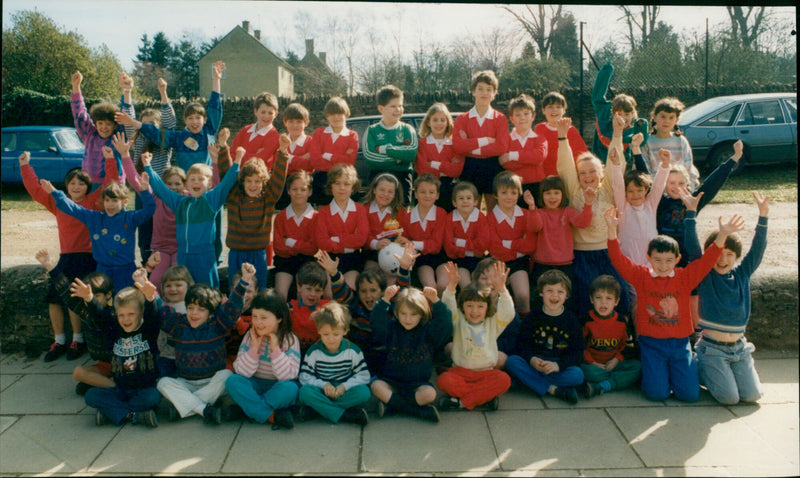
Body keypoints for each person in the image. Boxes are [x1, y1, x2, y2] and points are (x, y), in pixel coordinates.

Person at [605, 207, 745, 402]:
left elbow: (707, 261)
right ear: (648, 258)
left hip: (679, 344)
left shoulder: (684, 277)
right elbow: (618, 259)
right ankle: (659, 374)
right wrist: (611, 230)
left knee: (690, 395)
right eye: (657, 260)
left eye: (669, 260)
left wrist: (722, 235)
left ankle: (695, 365)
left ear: (677, 259)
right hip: (651, 344)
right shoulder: (641, 276)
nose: (663, 266)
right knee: (656, 394)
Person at [21, 151, 119, 361]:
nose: (76, 187)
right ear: (66, 186)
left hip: (88, 257)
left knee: (75, 298)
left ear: (88, 187)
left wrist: (110, 160)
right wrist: (25, 166)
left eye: (81, 183)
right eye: (72, 183)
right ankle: (59, 341)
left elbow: (111, 183)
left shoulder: (94, 201)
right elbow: (35, 191)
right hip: (66, 257)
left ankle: (78, 339)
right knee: (54, 299)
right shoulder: (59, 202)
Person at [684, 191, 769, 405]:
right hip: (712, 349)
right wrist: (691, 213)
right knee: (729, 398)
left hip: (740, 349)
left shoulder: (742, 274)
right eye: (719, 253)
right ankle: (698, 366)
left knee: (752, 396)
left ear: (736, 257)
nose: (723, 259)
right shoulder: (705, 275)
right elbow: (692, 247)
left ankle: (726, 372)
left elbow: (757, 250)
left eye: (730, 254)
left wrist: (763, 216)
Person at [43, 150, 155, 293]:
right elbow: (73, 209)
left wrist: (145, 192)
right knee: (101, 302)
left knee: (124, 300)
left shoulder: (130, 218)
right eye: (107, 200)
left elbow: (149, 210)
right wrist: (56, 193)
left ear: (125, 202)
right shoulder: (94, 218)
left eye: (114, 201)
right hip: (102, 271)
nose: (110, 204)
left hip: (126, 269)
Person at [155, 263, 254, 424]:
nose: (194, 313)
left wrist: (245, 281)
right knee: (163, 383)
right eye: (191, 308)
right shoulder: (179, 324)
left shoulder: (218, 325)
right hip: (186, 382)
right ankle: (204, 409)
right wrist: (151, 293)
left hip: (212, 381)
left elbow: (233, 306)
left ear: (210, 313)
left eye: (201, 309)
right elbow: (162, 310)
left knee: (227, 376)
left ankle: (186, 405)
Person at [556, 117, 630, 319]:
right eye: (583, 173)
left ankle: (623, 330)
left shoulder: (607, 190)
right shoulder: (575, 191)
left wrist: (617, 133)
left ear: (601, 173)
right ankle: (587, 333)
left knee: (619, 291)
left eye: (592, 172)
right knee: (585, 297)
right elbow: (565, 166)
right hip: (582, 255)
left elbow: (615, 162)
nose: (588, 176)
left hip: (608, 252)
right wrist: (562, 137)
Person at [142, 144, 242, 288]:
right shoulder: (180, 202)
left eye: (200, 179)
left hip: (204, 256)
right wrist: (148, 166)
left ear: (209, 184)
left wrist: (237, 162)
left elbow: (225, 184)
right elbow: (160, 188)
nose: (196, 182)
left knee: (207, 290)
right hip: (183, 255)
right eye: (192, 179)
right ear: (187, 185)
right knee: (185, 289)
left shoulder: (210, 201)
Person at [317, 243, 417, 379]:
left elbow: (402, 290)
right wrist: (334, 273)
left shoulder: (389, 303)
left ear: (382, 292)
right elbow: (342, 291)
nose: (368, 295)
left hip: (385, 354)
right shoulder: (354, 303)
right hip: (359, 355)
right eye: (363, 291)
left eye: (373, 290)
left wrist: (404, 268)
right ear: (358, 292)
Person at [79, 269, 162, 428]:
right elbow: (100, 316)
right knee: (91, 395)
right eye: (121, 315)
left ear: (141, 314)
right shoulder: (115, 331)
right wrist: (89, 298)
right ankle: (134, 415)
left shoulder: (148, 331)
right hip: (120, 389)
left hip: (144, 389)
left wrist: (150, 299)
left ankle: (113, 412)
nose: (126, 319)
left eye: (131, 314)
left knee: (154, 397)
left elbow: (153, 316)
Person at [115, 61, 226, 174]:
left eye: (198, 118)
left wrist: (216, 79)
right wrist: (132, 118)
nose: (194, 122)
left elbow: (214, 107)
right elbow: (153, 132)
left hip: (207, 180)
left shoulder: (209, 131)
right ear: (185, 120)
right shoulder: (178, 138)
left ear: (205, 119)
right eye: (190, 118)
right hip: (183, 183)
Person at [36, 250, 115, 395]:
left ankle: (114, 388)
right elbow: (66, 292)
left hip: (123, 363)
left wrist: (90, 299)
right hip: (105, 364)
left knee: (86, 388)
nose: (91, 298)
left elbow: (99, 316)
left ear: (108, 294)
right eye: (87, 296)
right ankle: (112, 386)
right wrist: (50, 266)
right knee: (79, 373)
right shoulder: (85, 310)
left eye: (96, 295)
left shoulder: (114, 312)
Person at [437, 261, 514, 411]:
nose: (474, 311)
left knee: (504, 380)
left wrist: (502, 289)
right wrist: (451, 287)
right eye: (470, 306)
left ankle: (460, 402)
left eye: (480, 307)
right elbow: (447, 309)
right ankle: (483, 398)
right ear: (462, 306)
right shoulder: (458, 320)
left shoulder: (493, 322)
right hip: (460, 372)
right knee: (444, 381)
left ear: (487, 307)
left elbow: (508, 312)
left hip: (486, 373)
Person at [370, 285, 453, 422]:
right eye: (403, 313)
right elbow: (376, 323)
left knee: (430, 394)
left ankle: (393, 407)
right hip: (391, 381)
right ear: (396, 313)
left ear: (422, 313)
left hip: (417, 384)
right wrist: (385, 299)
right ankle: (416, 411)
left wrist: (436, 301)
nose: (408, 319)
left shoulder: (428, 331)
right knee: (376, 386)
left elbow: (445, 325)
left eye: (414, 314)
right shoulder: (391, 328)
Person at [656, 140, 743, 268]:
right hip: (662, 258)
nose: (676, 187)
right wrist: (637, 152)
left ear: (687, 184)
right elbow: (646, 181)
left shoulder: (693, 200)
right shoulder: (658, 201)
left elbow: (713, 182)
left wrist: (734, 158)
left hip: (687, 259)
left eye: (681, 183)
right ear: (664, 184)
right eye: (672, 183)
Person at [220, 134, 290, 291]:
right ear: (242, 181)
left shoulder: (268, 197)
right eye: (249, 181)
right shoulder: (234, 196)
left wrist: (283, 151)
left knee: (259, 289)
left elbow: (279, 178)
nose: (253, 185)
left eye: (257, 181)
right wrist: (224, 147)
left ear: (264, 182)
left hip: (258, 254)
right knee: (236, 290)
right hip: (236, 253)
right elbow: (226, 175)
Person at [119, 74, 176, 263]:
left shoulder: (164, 140)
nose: (147, 127)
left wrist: (163, 93)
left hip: (163, 193)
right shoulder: (138, 139)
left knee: (164, 229)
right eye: (144, 123)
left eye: (152, 124)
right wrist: (127, 91)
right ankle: (146, 262)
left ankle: (167, 262)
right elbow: (128, 119)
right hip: (143, 192)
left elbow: (170, 122)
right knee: (145, 231)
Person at [506, 270, 585, 404]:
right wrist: (532, 359)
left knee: (578, 375)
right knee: (512, 362)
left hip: (557, 365)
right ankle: (553, 389)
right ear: (541, 292)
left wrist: (558, 365)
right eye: (549, 290)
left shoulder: (571, 321)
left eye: (560, 292)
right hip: (536, 363)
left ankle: (528, 381)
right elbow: (521, 345)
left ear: (567, 295)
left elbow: (577, 352)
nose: (555, 295)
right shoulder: (532, 317)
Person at [225, 289, 300, 428]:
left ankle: (248, 410)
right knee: (232, 381)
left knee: (290, 389)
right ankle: (271, 416)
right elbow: (241, 372)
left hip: (276, 386)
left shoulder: (290, 339)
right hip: (254, 384)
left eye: (264, 318)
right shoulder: (250, 336)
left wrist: (275, 349)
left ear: (279, 318)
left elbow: (287, 376)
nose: (258, 322)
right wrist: (254, 349)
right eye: (255, 316)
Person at [524, 175, 594, 311]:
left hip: (565, 266)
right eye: (548, 193)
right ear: (541, 195)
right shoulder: (539, 213)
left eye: (556, 193)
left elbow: (583, 222)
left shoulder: (567, 212)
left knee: (567, 301)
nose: (552, 197)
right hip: (542, 265)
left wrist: (588, 204)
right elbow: (534, 226)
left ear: (563, 195)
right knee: (540, 300)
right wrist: (532, 207)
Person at [297, 302, 372, 426]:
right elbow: (305, 377)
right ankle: (345, 415)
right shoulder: (314, 352)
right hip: (323, 391)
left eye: (336, 334)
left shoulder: (353, 351)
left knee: (364, 392)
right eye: (325, 334)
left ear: (345, 331)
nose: (331, 339)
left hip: (343, 391)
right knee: (305, 392)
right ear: (319, 331)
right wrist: (323, 385)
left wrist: (344, 387)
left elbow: (363, 376)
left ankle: (318, 410)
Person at [452, 70, 510, 212]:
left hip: (493, 166)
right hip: (470, 167)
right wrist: (485, 141)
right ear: (473, 91)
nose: (484, 93)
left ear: (494, 94)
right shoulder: (462, 119)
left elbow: (501, 147)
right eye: (480, 89)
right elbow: (458, 146)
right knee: (471, 211)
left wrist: (470, 146)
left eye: (489, 89)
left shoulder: (500, 118)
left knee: (495, 211)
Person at [579, 275, 641, 398]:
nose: (603, 302)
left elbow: (627, 346)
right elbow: (579, 347)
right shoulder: (586, 320)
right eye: (599, 298)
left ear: (616, 301)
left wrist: (617, 359)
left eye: (608, 298)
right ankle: (615, 380)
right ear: (592, 299)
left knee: (637, 367)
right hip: (594, 366)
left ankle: (604, 385)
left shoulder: (621, 321)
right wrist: (592, 362)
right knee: (582, 371)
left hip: (614, 364)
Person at [485, 171, 536, 315]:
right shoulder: (490, 218)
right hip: (497, 263)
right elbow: (495, 249)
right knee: (492, 296)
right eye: (504, 192)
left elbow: (530, 245)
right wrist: (519, 245)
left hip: (519, 263)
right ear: (496, 195)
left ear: (519, 194)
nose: (509, 197)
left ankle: (522, 325)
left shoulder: (525, 214)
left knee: (523, 296)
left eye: (513, 193)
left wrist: (508, 243)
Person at [313, 163, 369, 289]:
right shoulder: (323, 212)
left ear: (353, 187)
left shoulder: (360, 210)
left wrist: (335, 239)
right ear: (330, 186)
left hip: (353, 260)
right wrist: (347, 244)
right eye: (337, 183)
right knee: (329, 292)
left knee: (349, 288)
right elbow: (322, 242)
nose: (342, 188)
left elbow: (360, 239)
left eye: (346, 184)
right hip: (329, 260)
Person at [362, 85, 419, 205]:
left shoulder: (408, 129)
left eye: (400, 106)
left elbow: (411, 153)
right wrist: (399, 159)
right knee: (376, 210)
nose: (398, 110)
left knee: (402, 211)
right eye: (393, 106)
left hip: (402, 176)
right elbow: (370, 157)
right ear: (381, 108)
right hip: (378, 175)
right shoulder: (372, 130)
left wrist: (385, 149)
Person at [70, 70, 124, 186]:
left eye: (108, 124)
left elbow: (126, 116)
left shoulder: (119, 137)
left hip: (113, 185)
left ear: (115, 125)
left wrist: (126, 91)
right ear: (95, 123)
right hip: (89, 184)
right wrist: (76, 87)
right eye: (100, 123)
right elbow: (79, 113)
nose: (104, 127)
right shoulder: (89, 134)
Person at [591, 61, 649, 167]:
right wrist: (606, 72)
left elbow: (642, 137)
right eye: (619, 114)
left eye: (627, 114)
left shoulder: (632, 131)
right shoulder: (605, 125)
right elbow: (597, 100)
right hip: (600, 167)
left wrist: (641, 125)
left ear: (633, 114)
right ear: (613, 114)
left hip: (621, 168)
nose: (623, 118)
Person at [397, 174, 448, 293]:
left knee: (443, 285)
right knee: (430, 286)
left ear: (437, 195)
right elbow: (404, 242)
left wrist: (411, 243)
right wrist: (408, 244)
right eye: (422, 192)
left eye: (431, 192)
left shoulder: (441, 214)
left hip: (441, 257)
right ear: (415, 194)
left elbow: (436, 245)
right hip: (422, 260)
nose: (427, 195)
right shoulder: (407, 217)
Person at [273, 171, 318, 300]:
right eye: (294, 189)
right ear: (288, 191)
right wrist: (302, 246)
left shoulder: (316, 217)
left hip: (307, 261)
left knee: (303, 295)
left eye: (303, 189)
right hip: (285, 262)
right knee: (280, 295)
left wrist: (290, 242)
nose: (298, 193)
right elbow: (278, 248)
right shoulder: (281, 216)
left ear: (309, 192)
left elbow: (313, 248)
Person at [499, 94, 547, 207]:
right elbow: (506, 164)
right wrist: (530, 161)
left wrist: (511, 156)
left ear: (533, 116)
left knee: (537, 216)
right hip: (514, 188)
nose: (522, 118)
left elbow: (539, 157)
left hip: (538, 186)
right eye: (518, 115)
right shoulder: (506, 139)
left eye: (526, 114)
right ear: (511, 118)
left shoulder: (540, 139)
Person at [640, 97, 699, 190]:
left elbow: (688, 167)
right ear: (654, 117)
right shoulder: (647, 142)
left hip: (679, 189)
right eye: (663, 116)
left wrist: (687, 188)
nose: (666, 121)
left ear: (676, 120)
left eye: (671, 118)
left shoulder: (681, 141)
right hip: (656, 190)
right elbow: (644, 171)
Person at [309, 97, 359, 206]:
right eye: (332, 114)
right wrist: (340, 159)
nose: (336, 117)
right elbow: (315, 161)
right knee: (324, 210)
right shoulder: (319, 133)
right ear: (327, 116)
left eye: (339, 113)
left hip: (344, 178)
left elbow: (349, 161)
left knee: (342, 210)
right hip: (323, 179)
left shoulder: (352, 135)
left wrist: (328, 156)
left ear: (346, 114)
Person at [415, 102, 464, 212]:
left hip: (449, 188)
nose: (439, 123)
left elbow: (457, 170)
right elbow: (422, 169)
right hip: (428, 189)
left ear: (448, 122)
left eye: (442, 120)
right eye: (435, 120)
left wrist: (434, 164)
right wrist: (446, 168)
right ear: (428, 122)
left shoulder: (453, 144)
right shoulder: (422, 143)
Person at [443, 181, 488, 288]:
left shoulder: (481, 218)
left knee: (483, 285)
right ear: (454, 203)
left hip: (478, 261)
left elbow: (482, 245)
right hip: (458, 261)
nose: (465, 201)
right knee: (466, 285)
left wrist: (459, 242)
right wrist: (472, 251)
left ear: (475, 202)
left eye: (468, 198)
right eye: (461, 198)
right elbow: (449, 249)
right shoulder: (449, 218)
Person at [361, 172, 408, 273]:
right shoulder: (364, 209)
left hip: (393, 251)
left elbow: (404, 232)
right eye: (382, 190)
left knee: (391, 277)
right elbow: (363, 234)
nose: (385, 194)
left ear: (395, 194)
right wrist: (376, 244)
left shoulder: (399, 211)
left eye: (390, 192)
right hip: (372, 252)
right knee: (371, 274)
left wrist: (402, 240)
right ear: (374, 190)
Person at [533, 91, 588, 177]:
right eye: (550, 107)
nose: (554, 110)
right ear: (543, 110)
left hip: (566, 176)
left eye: (558, 107)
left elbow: (581, 154)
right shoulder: (539, 128)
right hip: (545, 176)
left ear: (564, 111)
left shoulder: (570, 130)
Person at [155, 265, 193, 378]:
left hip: (187, 356)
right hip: (166, 356)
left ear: (188, 286)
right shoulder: (163, 307)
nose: (172, 289)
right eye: (168, 286)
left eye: (178, 285)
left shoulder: (191, 308)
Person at [231, 92, 281, 170]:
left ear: (276, 114)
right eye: (263, 112)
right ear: (255, 111)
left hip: (258, 176)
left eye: (270, 113)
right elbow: (232, 153)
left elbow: (259, 161)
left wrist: (239, 156)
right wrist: (253, 155)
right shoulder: (245, 130)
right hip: (237, 173)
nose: (266, 116)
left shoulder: (274, 136)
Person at [276, 103, 312, 210]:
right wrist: (300, 159)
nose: (295, 125)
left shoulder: (311, 142)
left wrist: (288, 158)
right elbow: (277, 165)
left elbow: (309, 166)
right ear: (285, 122)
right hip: (284, 184)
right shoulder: (281, 141)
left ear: (306, 123)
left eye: (299, 121)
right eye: (291, 121)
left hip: (303, 184)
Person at [289, 261, 330, 356]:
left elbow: (341, 312)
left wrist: (325, 313)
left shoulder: (327, 306)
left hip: (321, 353)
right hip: (297, 353)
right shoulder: (291, 307)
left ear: (323, 291)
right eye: (308, 289)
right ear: (299, 287)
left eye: (317, 290)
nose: (313, 294)